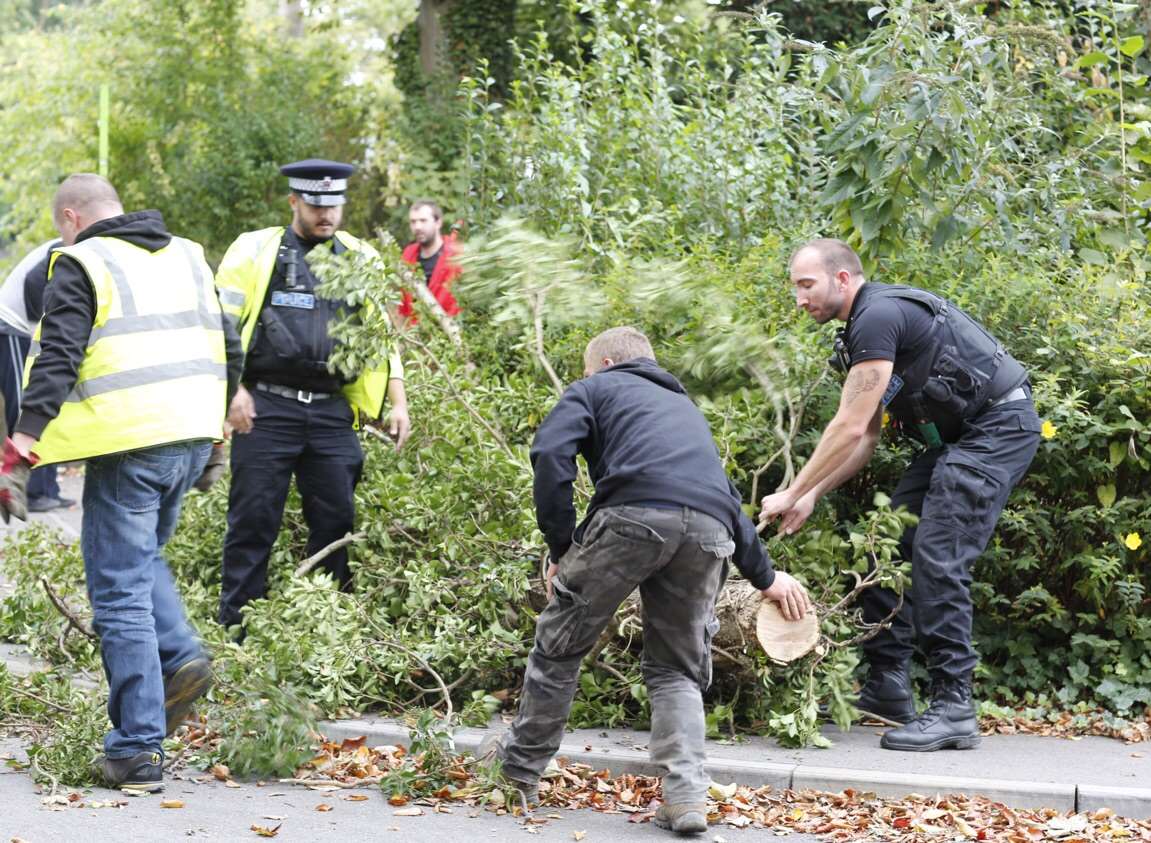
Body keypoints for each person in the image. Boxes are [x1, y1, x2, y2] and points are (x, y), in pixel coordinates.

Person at [482, 327, 811, 836]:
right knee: (675, 670)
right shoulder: (684, 410)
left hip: (631, 518)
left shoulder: (595, 387)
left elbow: (550, 454)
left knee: (560, 647)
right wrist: (765, 578)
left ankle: (517, 775)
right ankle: (685, 800)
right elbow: (724, 498)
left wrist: (561, 546)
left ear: (607, 362)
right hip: (710, 531)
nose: (586, 378)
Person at [4, 173, 242, 791]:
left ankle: (136, 749)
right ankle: (179, 652)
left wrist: (21, 444)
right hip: (189, 438)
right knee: (139, 564)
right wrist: (217, 424)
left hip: (128, 445)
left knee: (118, 595)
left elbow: (57, 354)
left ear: (70, 217)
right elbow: (230, 341)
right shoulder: (188, 254)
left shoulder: (80, 260)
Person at [760, 238, 1040, 752]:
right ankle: (888, 687)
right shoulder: (861, 331)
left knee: (938, 556)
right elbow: (865, 436)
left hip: (998, 426)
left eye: (806, 284)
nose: (799, 299)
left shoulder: (877, 315)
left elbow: (845, 426)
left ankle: (954, 705)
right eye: (795, 287)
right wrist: (813, 493)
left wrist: (791, 489)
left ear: (842, 279)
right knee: (886, 542)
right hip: (962, 439)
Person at [215, 159, 411, 633]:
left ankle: (329, 631)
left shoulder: (361, 257)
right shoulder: (255, 250)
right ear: (294, 202)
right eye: (316, 205)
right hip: (266, 407)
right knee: (253, 521)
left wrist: (397, 402)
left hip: (330, 410)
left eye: (334, 206)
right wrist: (232, 391)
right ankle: (236, 629)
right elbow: (217, 327)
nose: (326, 215)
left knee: (337, 521)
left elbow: (382, 337)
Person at [0, 240, 72, 511]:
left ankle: (47, 490)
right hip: (12, 328)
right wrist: (43, 321)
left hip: (26, 333)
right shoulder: (71, 243)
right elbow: (33, 283)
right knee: (27, 410)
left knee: (49, 404)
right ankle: (32, 493)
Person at [398, 199, 461, 322]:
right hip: (414, 333)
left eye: (423, 221)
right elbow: (403, 304)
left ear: (438, 222)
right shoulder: (407, 255)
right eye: (413, 222)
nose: (417, 227)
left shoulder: (456, 255)